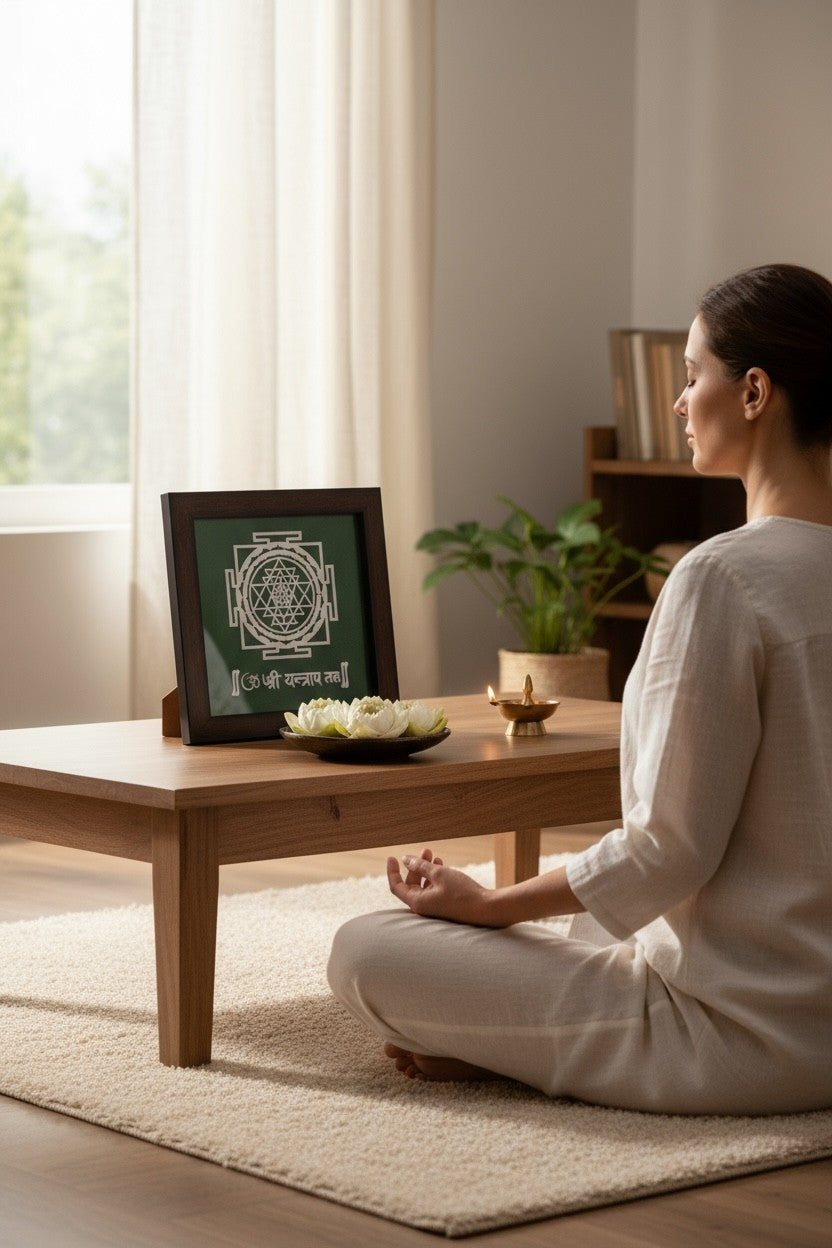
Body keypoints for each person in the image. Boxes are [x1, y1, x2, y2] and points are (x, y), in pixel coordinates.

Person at [327, 263, 832, 1114]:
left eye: (692, 375)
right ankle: (507, 1038)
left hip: (741, 1039)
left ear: (754, 392)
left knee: (365, 949)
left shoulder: (721, 578)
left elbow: (667, 852)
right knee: (591, 918)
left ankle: (505, 1046)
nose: (680, 403)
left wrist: (492, 905)